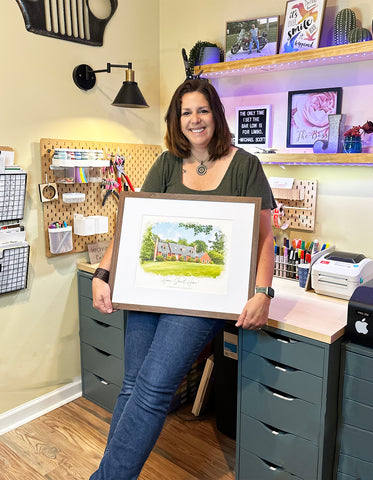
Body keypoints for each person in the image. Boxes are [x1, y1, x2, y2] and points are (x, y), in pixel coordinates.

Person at [90, 78, 276, 480]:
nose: (195, 119)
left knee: (154, 390)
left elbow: (265, 238)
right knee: (134, 385)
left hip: (201, 300)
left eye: (202, 110)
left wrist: (263, 293)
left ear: (217, 115)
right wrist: (103, 273)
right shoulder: (168, 163)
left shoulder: (245, 165)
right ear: (177, 120)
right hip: (147, 291)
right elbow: (131, 223)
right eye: (186, 112)